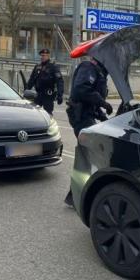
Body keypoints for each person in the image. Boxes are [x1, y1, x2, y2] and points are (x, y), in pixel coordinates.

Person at [64, 57, 112, 206]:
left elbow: (91, 102)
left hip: (86, 115)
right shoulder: (88, 67)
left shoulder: (99, 71)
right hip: (80, 116)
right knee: (89, 156)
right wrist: (102, 102)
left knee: (88, 156)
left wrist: (103, 116)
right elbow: (81, 90)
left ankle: (74, 195)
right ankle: (77, 196)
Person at [26, 48, 64, 115]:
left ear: (48, 56)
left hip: (48, 95)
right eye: (42, 55)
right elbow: (31, 79)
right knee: (35, 113)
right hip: (38, 94)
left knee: (48, 114)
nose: (43, 57)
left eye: (44, 55)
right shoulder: (37, 67)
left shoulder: (53, 67)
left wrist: (60, 95)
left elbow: (59, 81)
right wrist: (26, 90)